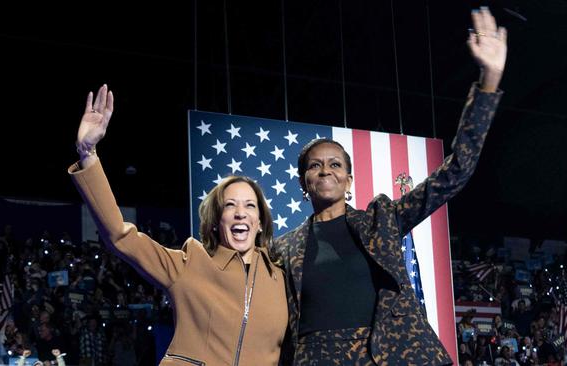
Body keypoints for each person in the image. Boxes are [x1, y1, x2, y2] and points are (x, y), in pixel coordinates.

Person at [273, 7, 507, 365]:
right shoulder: (281, 248)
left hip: (388, 356)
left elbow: (455, 172)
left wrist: (489, 79)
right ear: (303, 183)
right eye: (315, 166)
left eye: (335, 164)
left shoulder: (382, 220)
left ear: (349, 180)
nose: (325, 171)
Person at [69, 85, 287, 365]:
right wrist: (88, 153)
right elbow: (119, 236)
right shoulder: (189, 263)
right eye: (230, 205)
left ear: (260, 223)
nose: (240, 213)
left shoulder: (282, 279)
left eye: (250, 206)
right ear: (214, 223)